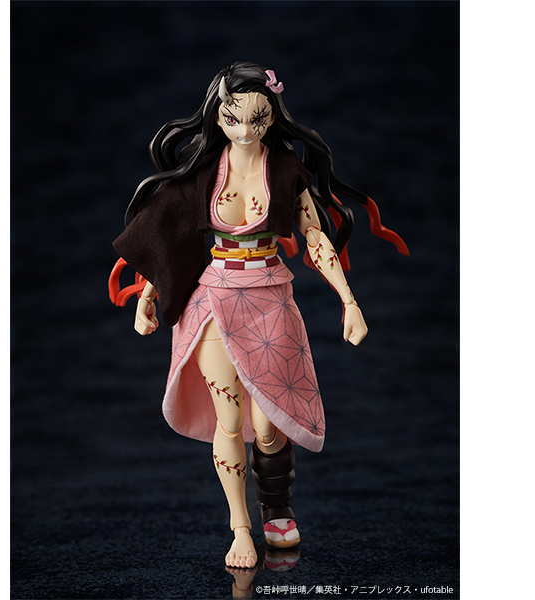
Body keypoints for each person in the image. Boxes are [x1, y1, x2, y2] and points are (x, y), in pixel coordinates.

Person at [112, 61, 407, 569]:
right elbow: (169, 235)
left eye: (258, 118)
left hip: (271, 298)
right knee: (230, 422)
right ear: (217, 117)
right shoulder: (204, 171)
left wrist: (349, 300)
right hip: (214, 299)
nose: (246, 129)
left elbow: (314, 236)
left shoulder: (286, 169)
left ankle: (277, 508)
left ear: (272, 115)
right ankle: (240, 528)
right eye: (233, 118)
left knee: (270, 423)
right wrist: (147, 295)